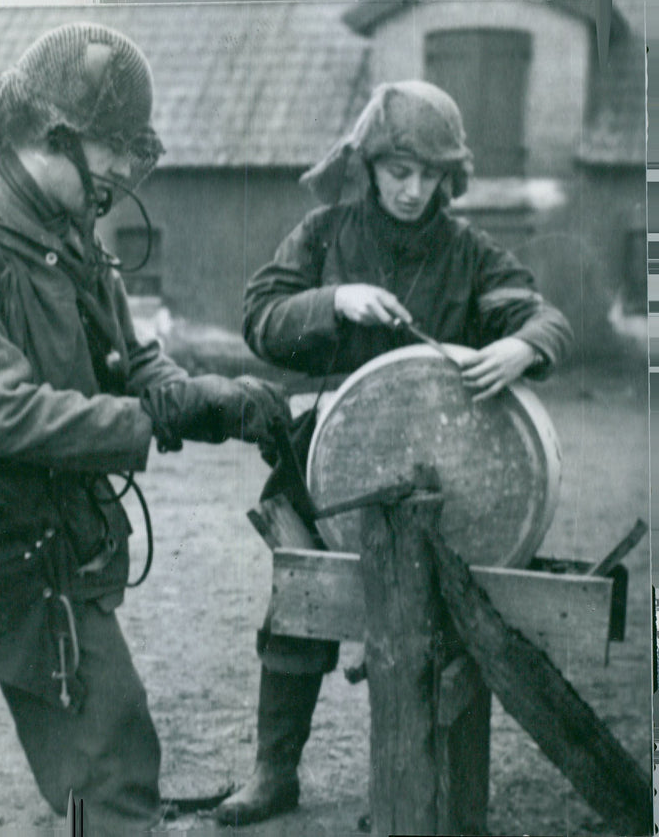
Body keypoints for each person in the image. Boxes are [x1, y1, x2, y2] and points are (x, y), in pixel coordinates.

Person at [0, 23, 289, 832]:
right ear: (52, 136)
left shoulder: (76, 249)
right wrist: (154, 419)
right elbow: (2, 411)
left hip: (54, 553)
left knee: (117, 784)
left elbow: (133, 361)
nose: (127, 168)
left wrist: (210, 396)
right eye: (115, 146)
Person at [215, 79, 573, 826]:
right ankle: (273, 771)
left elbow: (543, 317)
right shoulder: (322, 234)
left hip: (439, 471)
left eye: (431, 175)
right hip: (327, 458)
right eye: (398, 171)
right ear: (368, 164)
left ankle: (416, 789)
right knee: (298, 603)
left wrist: (520, 344)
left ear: (451, 177)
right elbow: (258, 319)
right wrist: (333, 299)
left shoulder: (469, 252)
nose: (413, 191)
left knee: (431, 630)